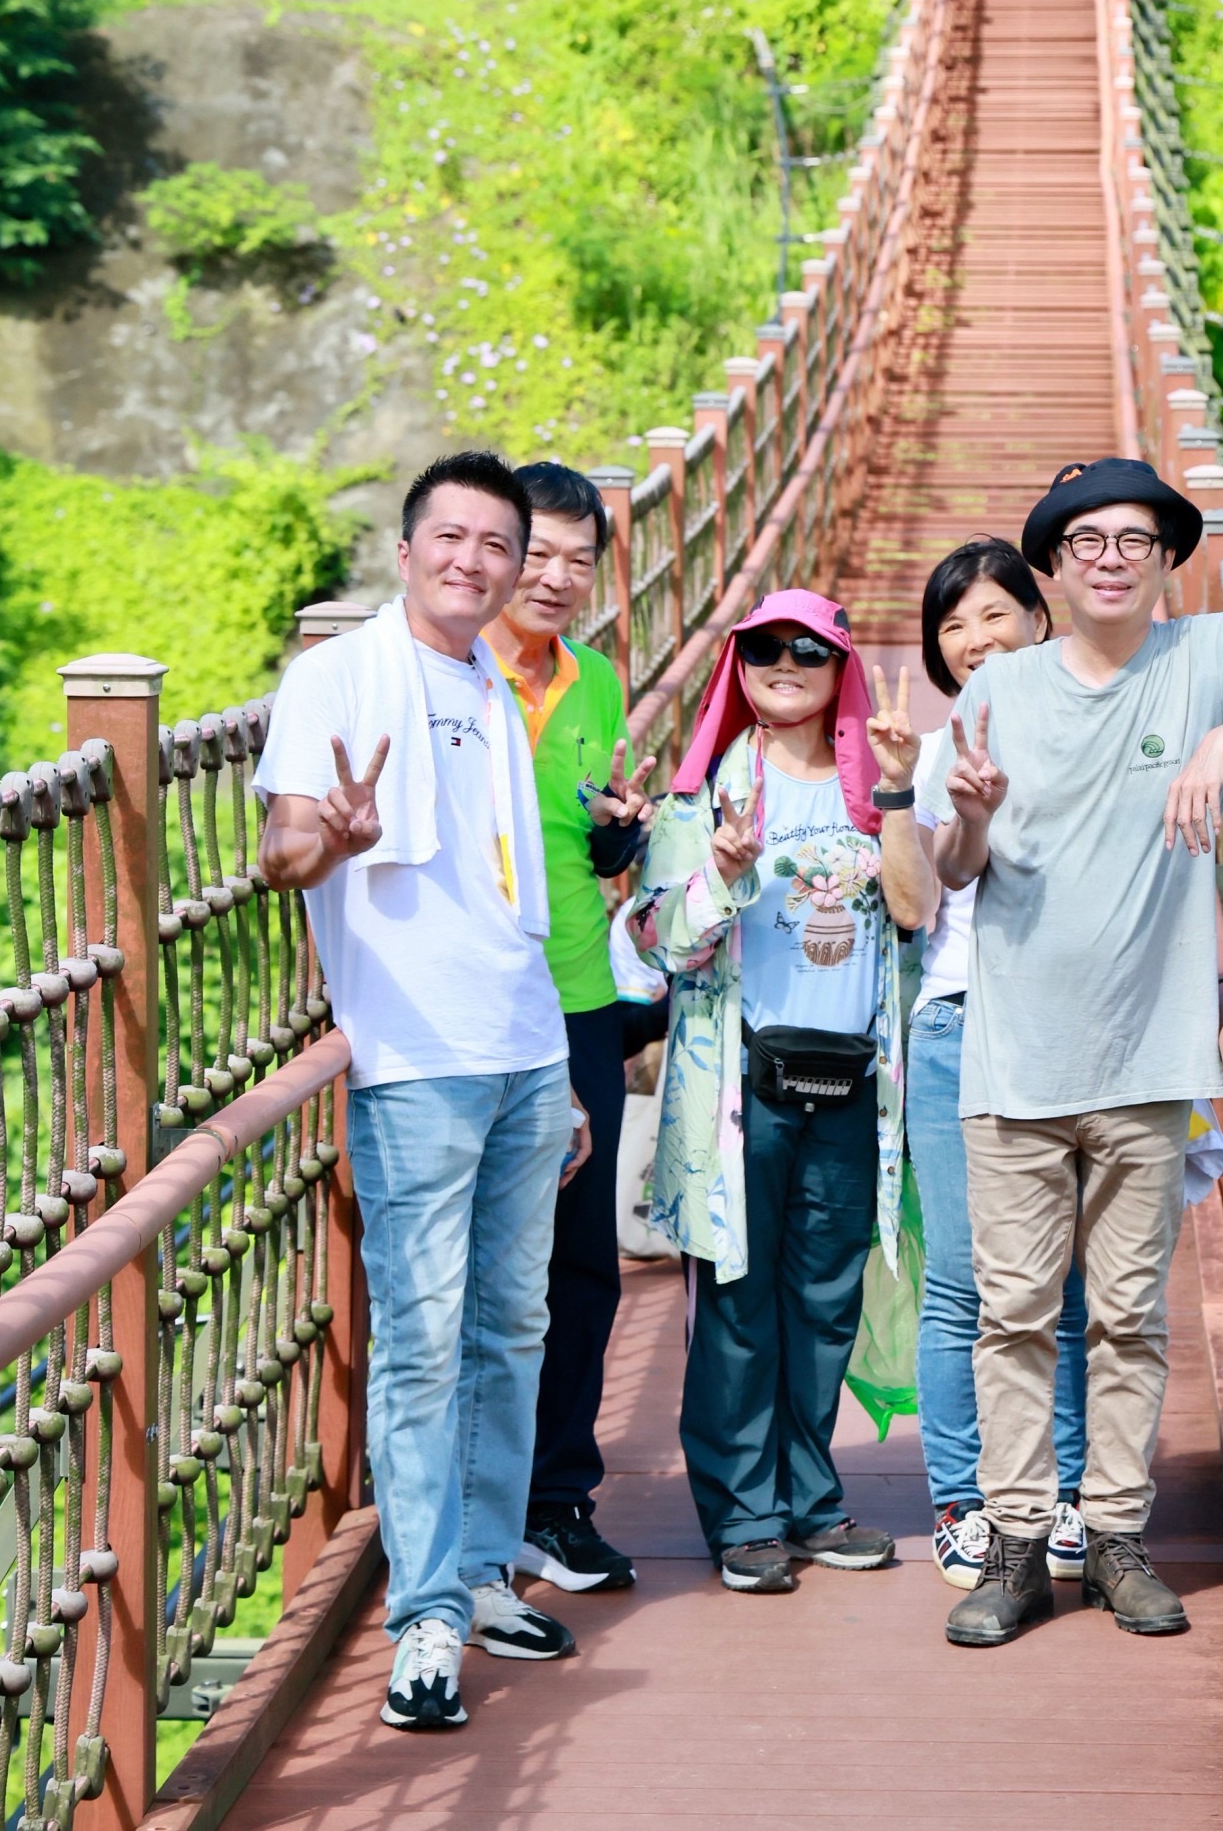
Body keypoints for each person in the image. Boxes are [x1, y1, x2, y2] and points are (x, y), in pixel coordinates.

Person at [933, 458, 1223, 1648]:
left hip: (1146, 1061)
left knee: (1130, 1317)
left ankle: (1112, 1540)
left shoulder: (1205, 659)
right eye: (1085, 540)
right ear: (1049, 566)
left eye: (1133, 539)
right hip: (1015, 1062)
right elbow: (950, 871)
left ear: (1163, 560)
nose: (1109, 556)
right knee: (1011, 1314)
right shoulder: (996, 689)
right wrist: (978, 815)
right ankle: (1009, 1549)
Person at [256, 450, 593, 1731]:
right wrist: (324, 839)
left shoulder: (494, 687)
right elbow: (288, 842)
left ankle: (486, 1568)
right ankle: (428, 1619)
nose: (473, 560)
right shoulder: (335, 676)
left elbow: (517, 899)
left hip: (518, 1048)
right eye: (449, 538)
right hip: (410, 1061)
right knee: (421, 1339)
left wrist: (559, 1070)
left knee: (511, 1324)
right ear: (406, 551)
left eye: (495, 544)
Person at [633, 590, 929, 1592]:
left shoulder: (871, 793)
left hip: (851, 1081)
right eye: (764, 648)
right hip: (743, 1088)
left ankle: (809, 1499)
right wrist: (718, 871)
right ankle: (743, 1514)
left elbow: (913, 911)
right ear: (739, 665)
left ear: (840, 664)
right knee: (738, 1306)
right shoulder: (708, 793)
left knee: (823, 1299)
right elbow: (665, 942)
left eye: (811, 648)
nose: (787, 663)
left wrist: (898, 791)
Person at [895, 541, 1092, 1589]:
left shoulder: (1093, 717)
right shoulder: (941, 750)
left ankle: (1063, 1489)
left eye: (992, 615)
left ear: (1039, 616)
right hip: (963, 1019)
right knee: (965, 1276)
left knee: (1058, 1274)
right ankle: (964, 1500)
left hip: (1067, 1019)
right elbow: (937, 889)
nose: (973, 640)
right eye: (953, 624)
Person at [483, 461, 657, 1597]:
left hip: (581, 996)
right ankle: (478, 1510)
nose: (553, 578)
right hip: (480, 1011)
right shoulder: (446, 671)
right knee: (495, 1274)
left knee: (586, 1264)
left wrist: (615, 840)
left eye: (576, 560)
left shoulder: (595, 679)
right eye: (532, 554)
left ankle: (558, 1499)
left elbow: (580, 833)